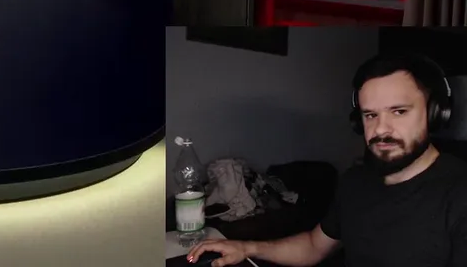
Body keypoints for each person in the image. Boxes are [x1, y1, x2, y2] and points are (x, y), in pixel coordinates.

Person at [187, 53, 467, 267]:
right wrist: (246, 248)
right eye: (371, 115)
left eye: (399, 111)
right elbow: (313, 246)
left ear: (435, 114)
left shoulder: (459, 194)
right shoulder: (355, 181)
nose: (381, 129)